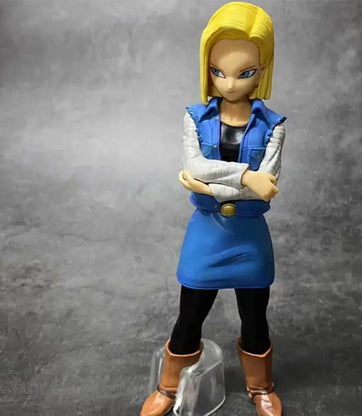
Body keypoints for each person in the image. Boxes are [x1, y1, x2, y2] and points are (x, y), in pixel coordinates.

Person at [140, 2, 287, 415]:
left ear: (263, 69)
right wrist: (246, 177)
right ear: (206, 68)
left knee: (255, 316)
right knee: (190, 314)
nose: (230, 83)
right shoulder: (195, 117)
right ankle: (169, 387)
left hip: (249, 237)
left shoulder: (274, 125)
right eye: (218, 71)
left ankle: (260, 386)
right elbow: (196, 165)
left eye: (245, 72)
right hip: (206, 233)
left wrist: (206, 186)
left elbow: (266, 188)